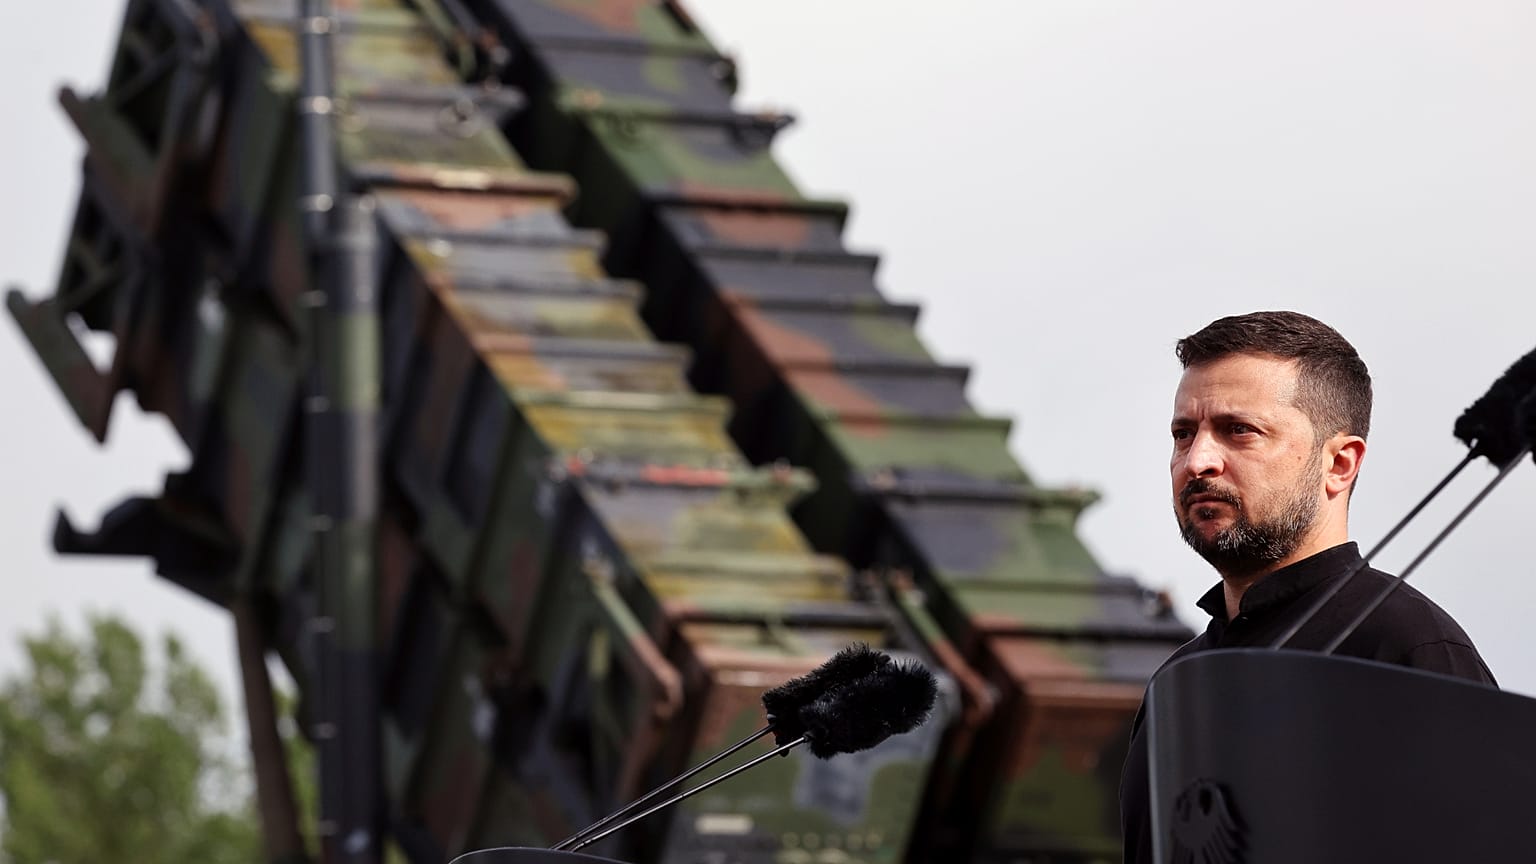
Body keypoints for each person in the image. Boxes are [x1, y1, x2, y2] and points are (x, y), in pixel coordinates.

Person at [1118, 310, 1496, 864]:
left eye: (1238, 430)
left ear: (1339, 463)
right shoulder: (1179, 681)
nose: (1197, 460)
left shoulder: (1406, 648)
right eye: (1183, 434)